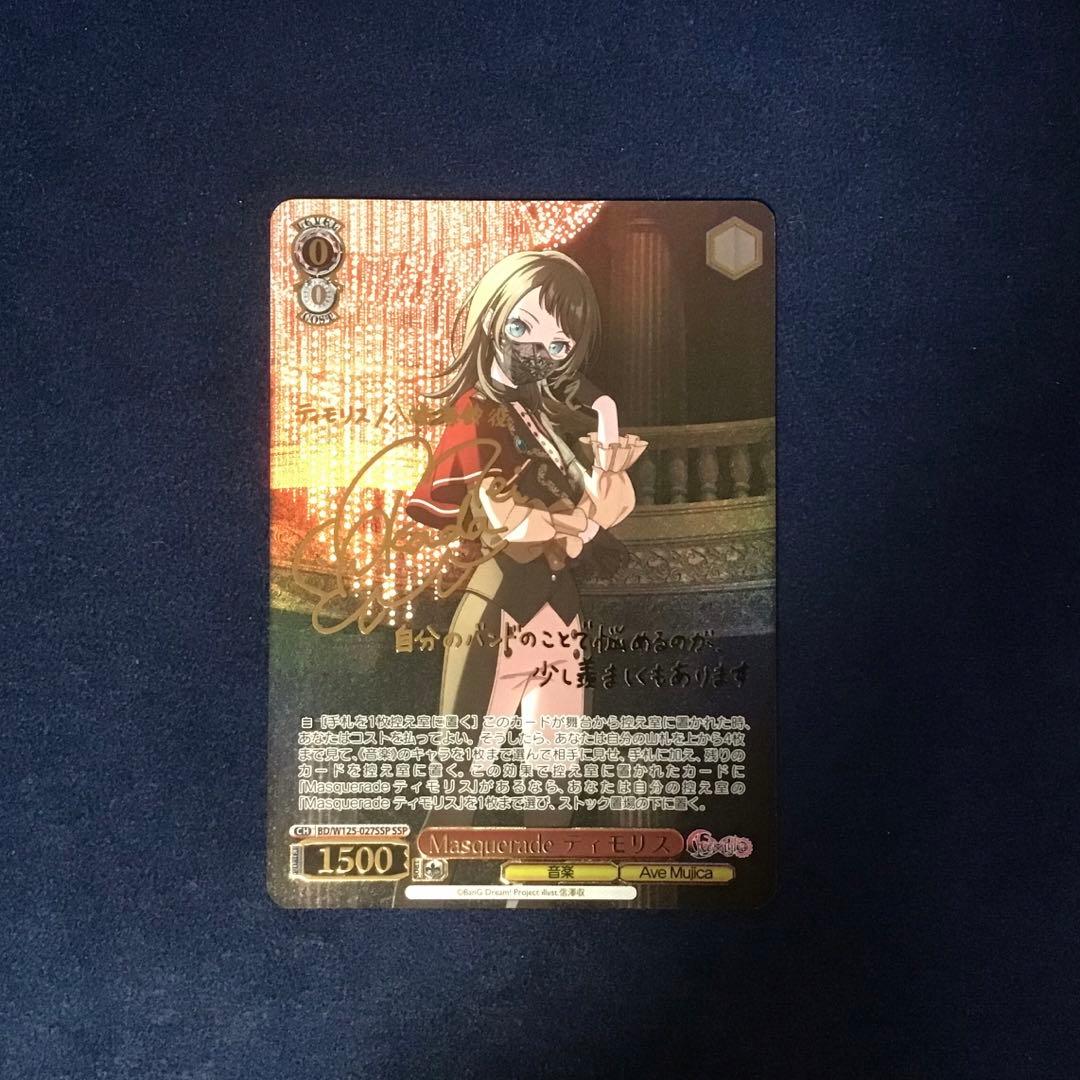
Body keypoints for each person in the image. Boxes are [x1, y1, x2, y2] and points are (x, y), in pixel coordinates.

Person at [405, 249, 647, 816]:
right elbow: (509, 519)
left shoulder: (540, 420)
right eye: (523, 327)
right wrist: (580, 523)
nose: (538, 350)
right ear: (493, 317)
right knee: (459, 784)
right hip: (499, 610)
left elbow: (611, 504)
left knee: (555, 785)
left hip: (561, 617)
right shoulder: (474, 410)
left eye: (558, 345)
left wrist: (606, 421)